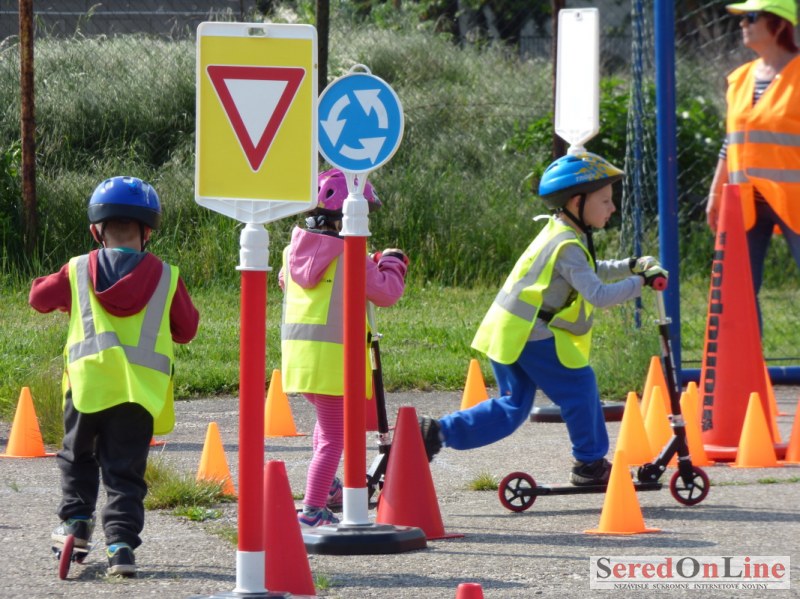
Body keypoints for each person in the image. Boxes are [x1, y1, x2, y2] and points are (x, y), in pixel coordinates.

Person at [419, 152, 667, 485]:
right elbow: (598, 294)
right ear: (577, 201)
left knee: (513, 406)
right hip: (528, 333)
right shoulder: (567, 245)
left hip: (509, 329)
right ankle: (590, 464)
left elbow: (590, 271)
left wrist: (631, 265)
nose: (612, 208)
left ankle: (435, 432)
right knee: (580, 386)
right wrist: (642, 282)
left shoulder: (562, 234)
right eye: (605, 200)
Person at [29, 176, 199, 577]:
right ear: (148, 232)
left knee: (77, 456)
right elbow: (187, 329)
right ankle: (121, 545)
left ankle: (76, 524)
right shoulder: (167, 277)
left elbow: (38, 298)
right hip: (138, 396)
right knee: (125, 470)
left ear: (96, 230)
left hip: (87, 388)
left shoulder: (77, 270)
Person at [279, 169, 408, 527]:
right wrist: (393, 263)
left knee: (325, 429)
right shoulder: (350, 253)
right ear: (344, 218)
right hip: (334, 362)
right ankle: (312, 510)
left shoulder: (291, 251)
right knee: (334, 439)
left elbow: (287, 283)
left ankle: (328, 489)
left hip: (300, 360)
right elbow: (386, 292)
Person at [706, 0, 800, 329]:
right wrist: (716, 193)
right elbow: (731, 141)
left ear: (780, 24)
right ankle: (748, 362)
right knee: (738, 291)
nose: (742, 24)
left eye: (751, 17)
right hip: (744, 200)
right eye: (742, 18)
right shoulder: (740, 79)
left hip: (794, 200)